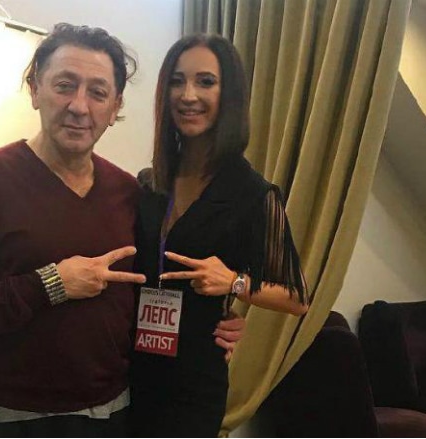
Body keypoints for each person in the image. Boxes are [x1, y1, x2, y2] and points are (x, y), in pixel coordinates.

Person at [0, 23, 242, 438]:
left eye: (98, 92)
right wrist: (52, 283)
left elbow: (148, 291)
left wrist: (215, 322)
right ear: (35, 89)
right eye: (64, 86)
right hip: (10, 419)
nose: (79, 106)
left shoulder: (130, 192)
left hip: (114, 416)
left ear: (115, 107)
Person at [130, 33, 309, 438]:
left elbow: (297, 298)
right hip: (129, 370)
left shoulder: (253, 194)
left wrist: (234, 283)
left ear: (229, 95)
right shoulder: (149, 183)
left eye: (205, 81)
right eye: (177, 81)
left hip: (192, 384)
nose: (188, 95)